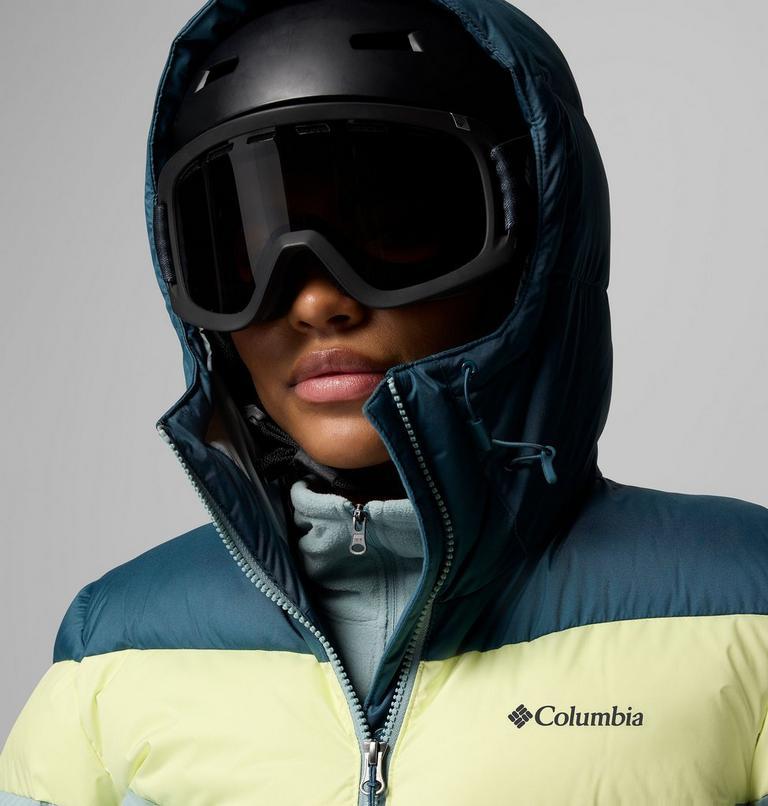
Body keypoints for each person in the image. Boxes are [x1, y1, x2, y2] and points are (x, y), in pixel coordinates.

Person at [1, 0, 766, 803]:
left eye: (394, 223)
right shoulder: (112, 646)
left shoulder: (747, 603)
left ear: (536, 249)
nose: (314, 301)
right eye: (244, 248)